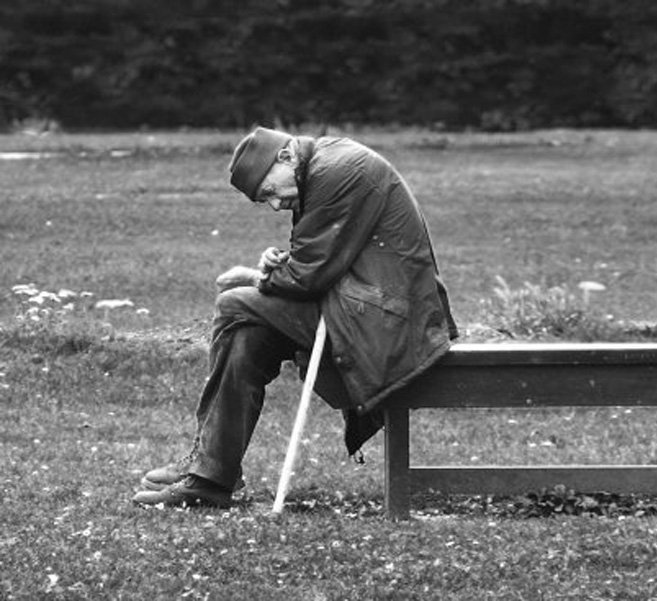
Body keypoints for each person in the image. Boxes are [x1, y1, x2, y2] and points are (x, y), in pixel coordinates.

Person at [132, 127, 458, 507]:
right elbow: (323, 258)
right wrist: (281, 264)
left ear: (285, 157)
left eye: (269, 192)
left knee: (234, 303)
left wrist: (259, 277)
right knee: (247, 337)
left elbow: (309, 278)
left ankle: (210, 469)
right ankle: (209, 477)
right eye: (264, 201)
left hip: (388, 319)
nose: (274, 205)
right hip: (365, 304)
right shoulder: (320, 167)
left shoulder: (338, 171)